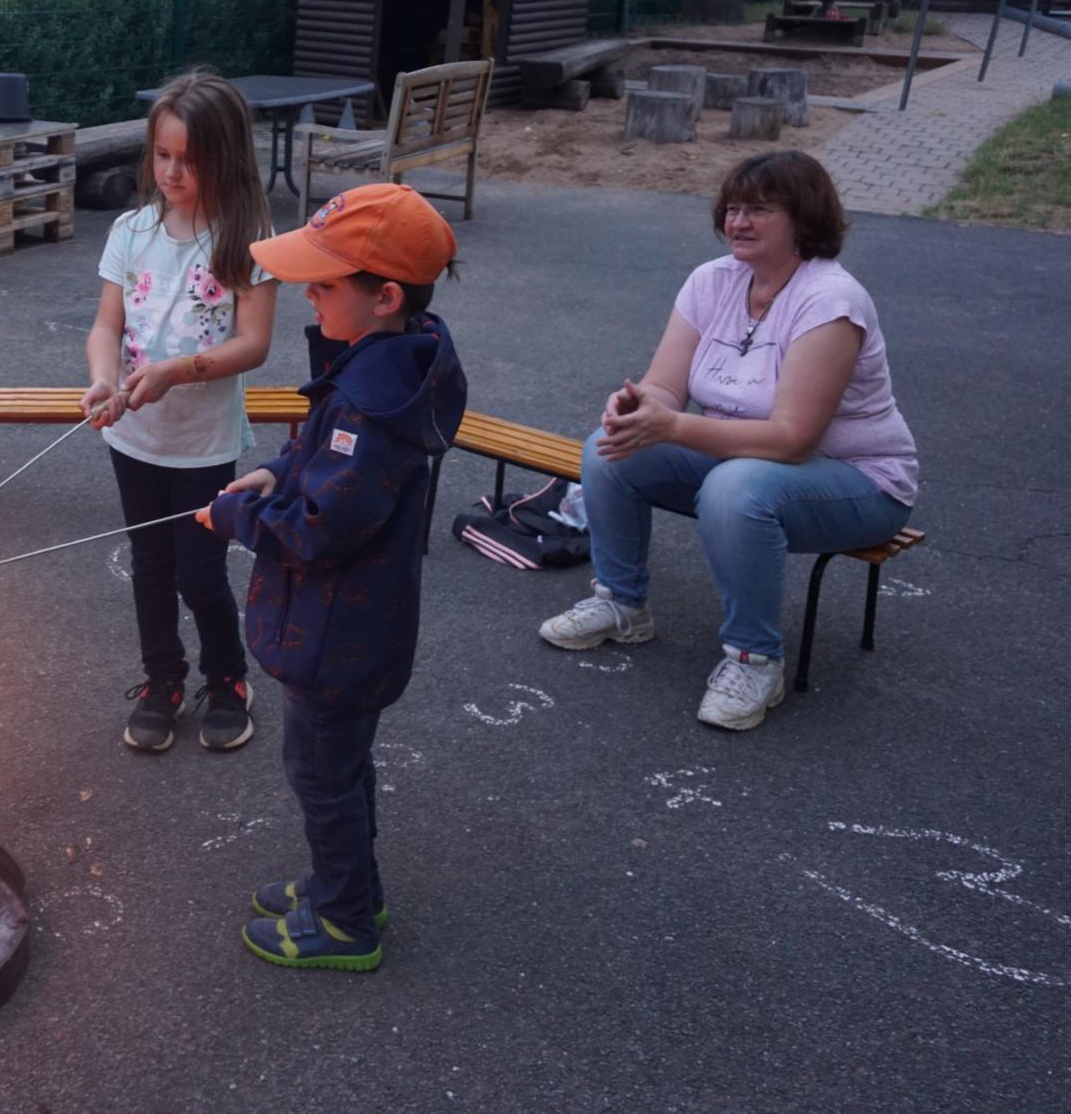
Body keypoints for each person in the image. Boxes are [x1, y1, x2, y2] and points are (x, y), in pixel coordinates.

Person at [539, 150, 917, 732]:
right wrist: (640, 409)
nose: (738, 222)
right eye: (733, 208)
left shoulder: (831, 301)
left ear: (804, 220)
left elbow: (793, 440)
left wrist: (675, 426)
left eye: (759, 210)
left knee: (735, 487)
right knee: (609, 446)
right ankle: (621, 604)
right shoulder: (712, 281)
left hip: (857, 481)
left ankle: (754, 660)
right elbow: (665, 384)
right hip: (744, 462)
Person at [201, 182, 465, 971]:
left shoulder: (370, 408)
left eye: (322, 285)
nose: (307, 297)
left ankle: (348, 920)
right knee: (336, 767)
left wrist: (236, 520)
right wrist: (276, 474)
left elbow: (322, 528)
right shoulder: (383, 367)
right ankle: (342, 883)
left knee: (320, 774)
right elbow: (321, 467)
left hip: (339, 633)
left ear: (384, 296)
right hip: (348, 628)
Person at [80, 69, 277, 753]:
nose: (171, 170)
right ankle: (161, 679)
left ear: (224, 156)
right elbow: (105, 326)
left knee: (199, 572)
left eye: (188, 159)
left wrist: (175, 371)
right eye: (162, 154)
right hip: (133, 435)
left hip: (201, 443)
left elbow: (254, 344)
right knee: (151, 565)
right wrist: (105, 380)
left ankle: (228, 678)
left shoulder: (245, 236)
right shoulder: (132, 230)